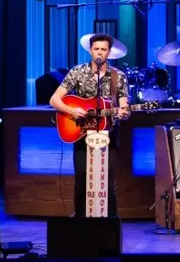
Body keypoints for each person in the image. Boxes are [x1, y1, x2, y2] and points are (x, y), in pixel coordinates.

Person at [49, 34, 129, 218]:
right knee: (82, 180)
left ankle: (109, 225)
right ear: (90, 50)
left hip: (108, 134)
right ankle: (80, 222)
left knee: (107, 181)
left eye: (104, 49)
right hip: (82, 132)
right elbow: (54, 99)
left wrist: (124, 112)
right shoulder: (78, 72)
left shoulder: (119, 77)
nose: (100, 52)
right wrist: (72, 111)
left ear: (110, 52)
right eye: (96, 49)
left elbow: (124, 105)